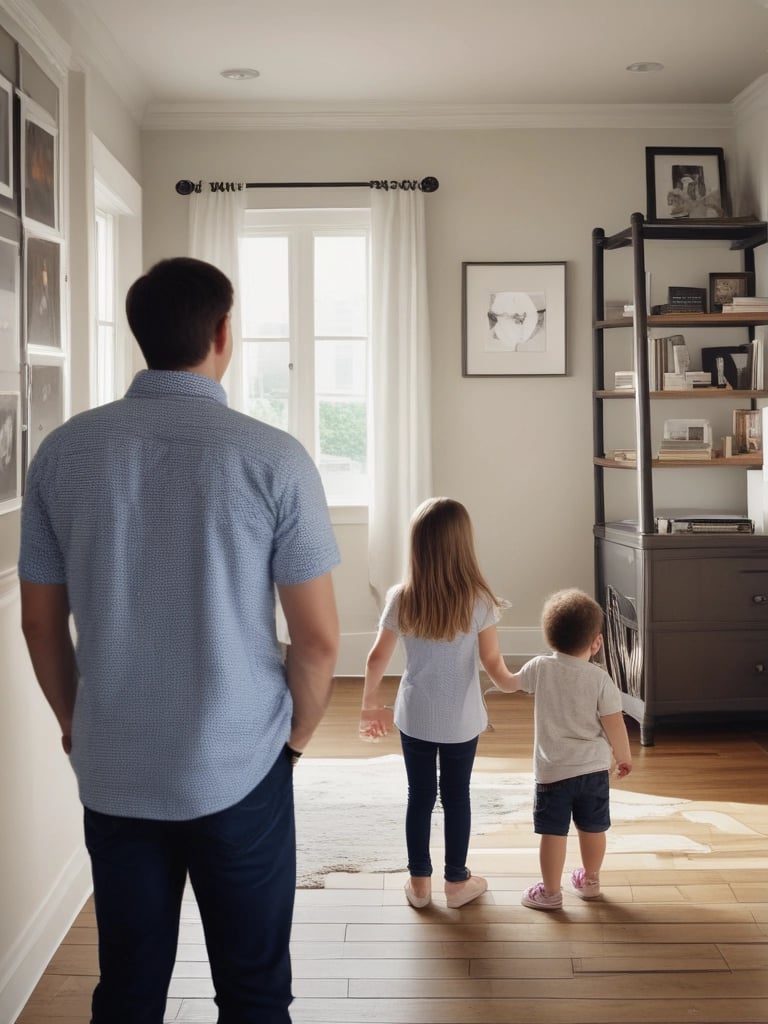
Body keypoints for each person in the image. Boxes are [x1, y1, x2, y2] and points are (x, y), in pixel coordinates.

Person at [18, 256, 340, 1024]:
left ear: (141, 334)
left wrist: (75, 723)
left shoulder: (62, 452)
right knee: (254, 991)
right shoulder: (274, 457)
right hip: (241, 760)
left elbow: (38, 622)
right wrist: (294, 741)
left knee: (128, 989)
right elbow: (320, 641)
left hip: (115, 761)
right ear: (223, 333)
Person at [359, 497, 518, 910]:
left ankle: (419, 885)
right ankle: (456, 883)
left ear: (417, 545)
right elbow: (493, 662)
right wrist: (515, 683)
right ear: (463, 545)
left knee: (420, 796)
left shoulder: (401, 597)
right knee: (456, 797)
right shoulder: (479, 600)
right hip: (461, 720)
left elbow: (376, 659)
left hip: (415, 717)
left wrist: (369, 705)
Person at [493, 588, 632, 910]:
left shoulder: (540, 667)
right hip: (594, 770)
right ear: (596, 643)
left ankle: (551, 893)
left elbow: (507, 683)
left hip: (553, 772)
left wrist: (492, 659)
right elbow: (614, 723)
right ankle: (591, 881)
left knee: (553, 833)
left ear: (550, 638)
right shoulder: (600, 679)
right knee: (593, 828)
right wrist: (623, 757)